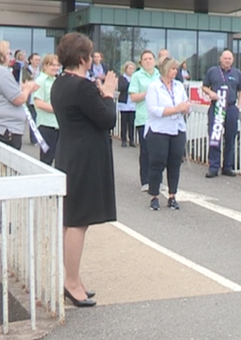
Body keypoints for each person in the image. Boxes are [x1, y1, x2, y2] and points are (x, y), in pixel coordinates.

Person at [52, 32, 119, 307]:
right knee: (78, 222)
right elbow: (107, 119)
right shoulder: (82, 87)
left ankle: (74, 279)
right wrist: (108, 95)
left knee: (72, 220)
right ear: (82, 58)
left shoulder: (60, 83)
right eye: (90, 55)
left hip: (69, 154)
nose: (92, 60)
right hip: (85, 159)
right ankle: (71, 282)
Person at [145, 57, 190, 211]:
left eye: (176, 69)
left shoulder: (178, 86)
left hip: (177, 128)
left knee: (175, 163)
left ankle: (172, 196)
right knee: (157, 163)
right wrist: (175, 109)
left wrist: (185, 108)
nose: (175, 72)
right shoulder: (154, 87)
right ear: (165, 69)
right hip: (159, 130)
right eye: (172, 69)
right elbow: (153, 110)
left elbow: (185, 103)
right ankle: (154, 196)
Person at [0, 41, 39, 149]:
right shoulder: (2, 72)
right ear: (1, 55)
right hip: (3, 129)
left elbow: (5, 93)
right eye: (8, 53)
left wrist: (23, 89)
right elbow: (18, 99)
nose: (10, 57)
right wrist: (27, 89)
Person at [202, 50, 241, 178]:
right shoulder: (213, 71)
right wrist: (210, 93)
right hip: (217, 107)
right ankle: (214, 167)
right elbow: (204, 86)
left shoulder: (237, 73)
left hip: (231, 107)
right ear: (221, 59)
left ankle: (228, 166)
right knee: (215, 137)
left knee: (230, 138)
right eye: (225, 58)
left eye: (230, 58)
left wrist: (238, 106)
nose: (227, 60)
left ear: (232, 60)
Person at [129, 50, 160, 190]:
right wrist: (149, 92)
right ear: (141, 62)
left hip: (159, 118)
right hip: (143, 118)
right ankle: (145, 180)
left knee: (159, 152)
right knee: (146, 151)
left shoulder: (160, 75)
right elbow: (133, 97)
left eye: (150, 58)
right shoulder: (137, 76)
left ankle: (157, 180)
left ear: (154, 61)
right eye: (145, 59)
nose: (148, 61)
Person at [33, 53, 62, 165]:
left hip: (58, 124)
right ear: (44, 66)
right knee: (47, 158)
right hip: (46, 124)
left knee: (60, 158)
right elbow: (39, 103)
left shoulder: (57, 80)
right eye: (52, 65)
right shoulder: (41, 81)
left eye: (57, 65)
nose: (55, 68)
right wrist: (58, 109)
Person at [117, 61, 138, 148]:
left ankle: (132, 140)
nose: (131, 70)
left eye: (133, 69)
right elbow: (121, 88)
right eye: (130, 68)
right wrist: (129, 84)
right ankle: (124, 140)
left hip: (133, 103)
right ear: (126, 69)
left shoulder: (136, 78)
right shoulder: (122, 78)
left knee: (131, 123)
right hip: (125, 103)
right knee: (124, 122)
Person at [22, 53, 41, 144]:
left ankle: (38, 137)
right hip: (30, 97)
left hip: (39, 96)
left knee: (38, 118)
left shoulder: (41, 70)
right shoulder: (26, 70)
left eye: (39, 60)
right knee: (32, 118)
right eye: (36, 60)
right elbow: (23, 81)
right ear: (31, 60)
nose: (38, 62)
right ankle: (33, 139)